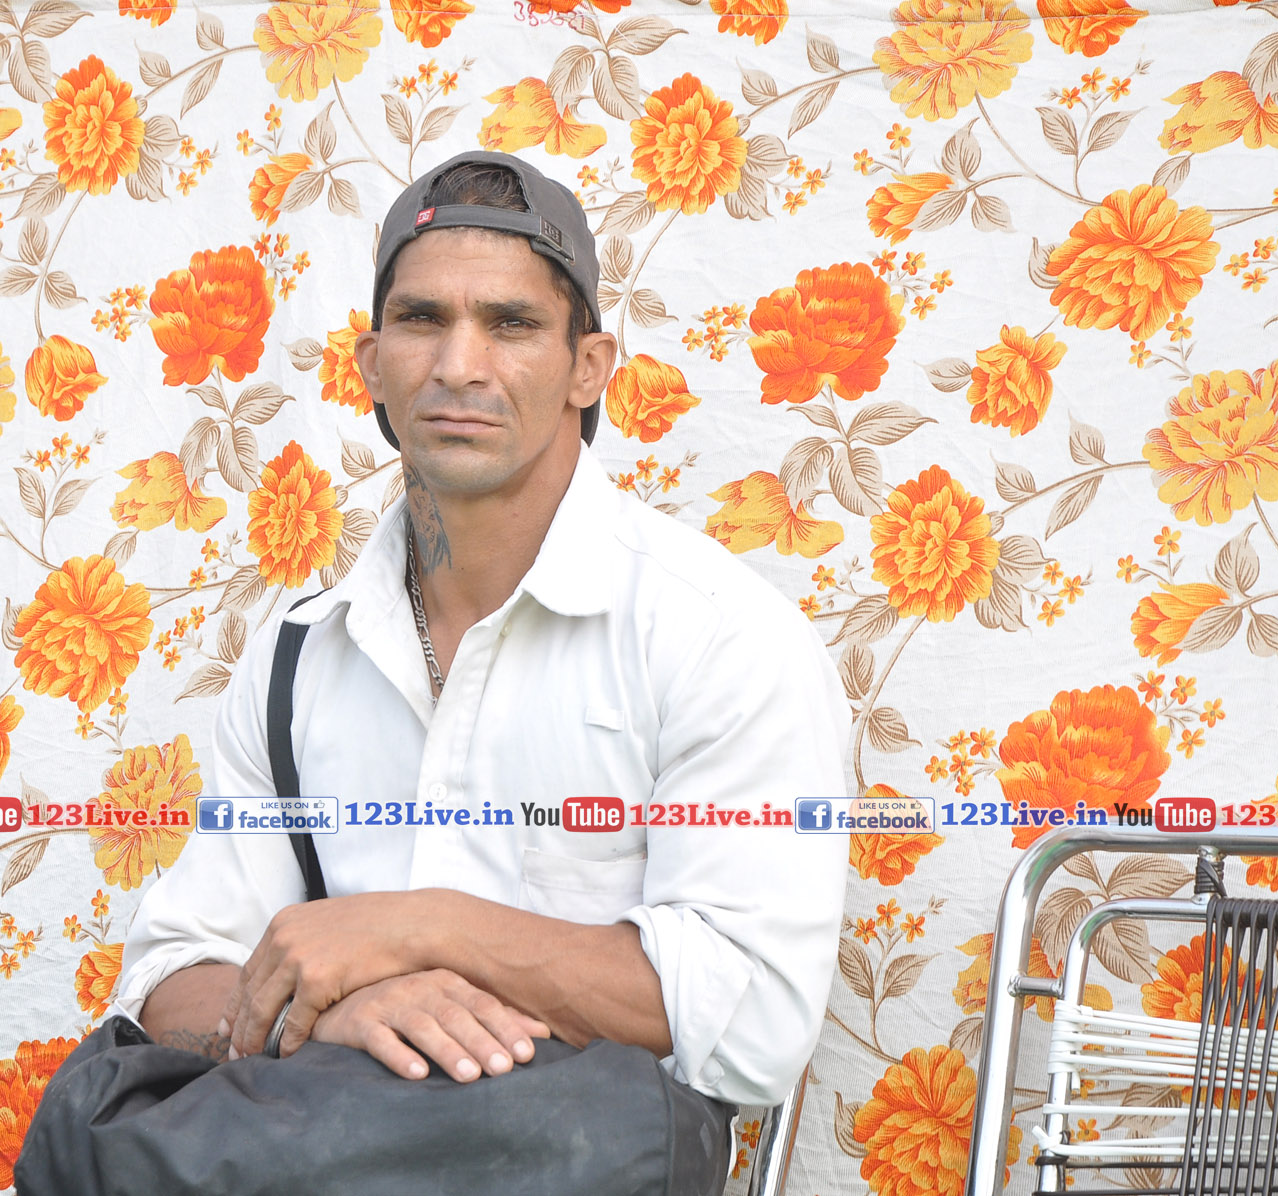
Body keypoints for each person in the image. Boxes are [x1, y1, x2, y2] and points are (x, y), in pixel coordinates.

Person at [115, 150, 848, 1120]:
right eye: (423, 319)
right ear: (372, 365)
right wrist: (332, 1010)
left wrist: (424, 929)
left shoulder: (718, 639)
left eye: (512, 324)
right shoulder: (298, 654)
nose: (459, 366)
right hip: (312, 1166)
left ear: (588, 368)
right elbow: (167, 977)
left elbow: (754, 1028)